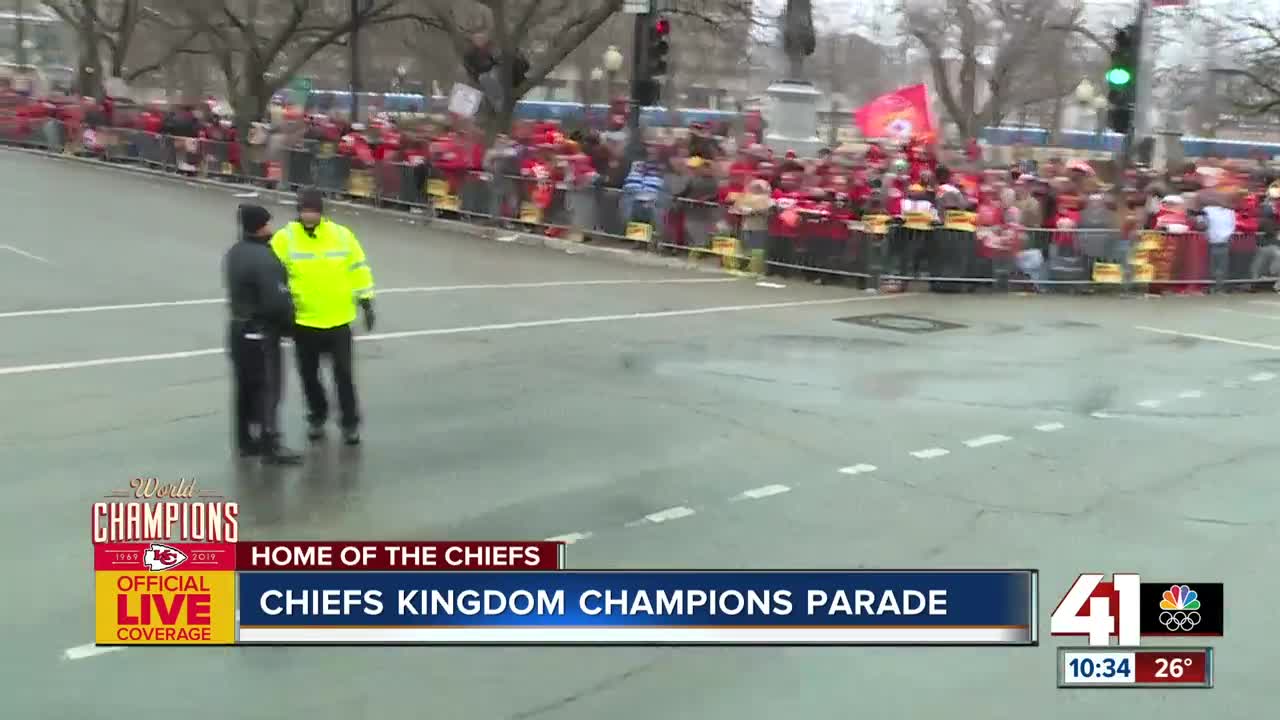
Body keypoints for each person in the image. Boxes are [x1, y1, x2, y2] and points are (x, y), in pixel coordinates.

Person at [271, 189, 376, 445]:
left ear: (321, 211)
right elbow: (272, 275)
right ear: (298, 211)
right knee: (309, 376)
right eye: (305, 210)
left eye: (314, 210)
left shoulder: (341, 235)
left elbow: (358, 267)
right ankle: (317, 416)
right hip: (304, 322)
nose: (309, 215)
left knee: (344, 376)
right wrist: (279, 310)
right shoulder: (285, 239)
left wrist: (366, 300)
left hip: (339, 320)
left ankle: (350, 423)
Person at [224, 204, 302, 464]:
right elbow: (276, 301)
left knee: (244, 387)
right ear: (260, 226)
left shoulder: (235, 253)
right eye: (268, 223)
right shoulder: (265, 258)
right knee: (268, 387)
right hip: (261, 332)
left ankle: (245, 440)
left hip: (238, 329)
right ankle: (270, 442)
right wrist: (290, 327)